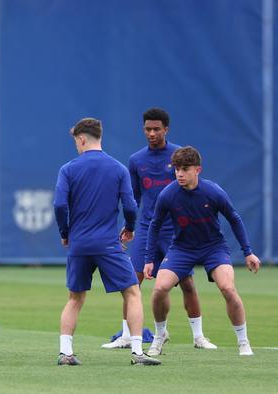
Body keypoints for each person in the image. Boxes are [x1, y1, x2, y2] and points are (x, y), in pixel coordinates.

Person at [102, 108, 216, 352]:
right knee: (132, 282)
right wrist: (129, 226)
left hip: (175, 230)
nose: (152, 133)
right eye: (147, 129)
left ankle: (198, 337)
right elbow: (133, 197)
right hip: (146, 227)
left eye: (156, 129)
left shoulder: (179, 155)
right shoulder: (136, 160)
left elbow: (193, 190)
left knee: (186, 282)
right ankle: (125, 335)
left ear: (166, 129)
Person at [53, 118, 160, 366]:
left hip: (79, 243)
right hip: (108, 244)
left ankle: (65, 353)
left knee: (75, 298)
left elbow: (59, 205)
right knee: (132, 293)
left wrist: (65, 232)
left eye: (76, 142)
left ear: (81, 139)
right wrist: (130, 228)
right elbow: (131, 206)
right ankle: (137, 352)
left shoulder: (68, 169)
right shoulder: (118, 168)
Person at [144, 146, 261, 356]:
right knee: (160, 288)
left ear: (197, 170)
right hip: (182, 249)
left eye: (185, 169)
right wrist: (149, 259)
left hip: (213, 248)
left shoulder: (213, 191)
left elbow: (234, 218)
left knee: (227, 288)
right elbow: (155, 225)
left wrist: (248, 252)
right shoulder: (168, 195)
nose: (179, 173)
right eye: (177, 169)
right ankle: (160, 336)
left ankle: (243, 342)